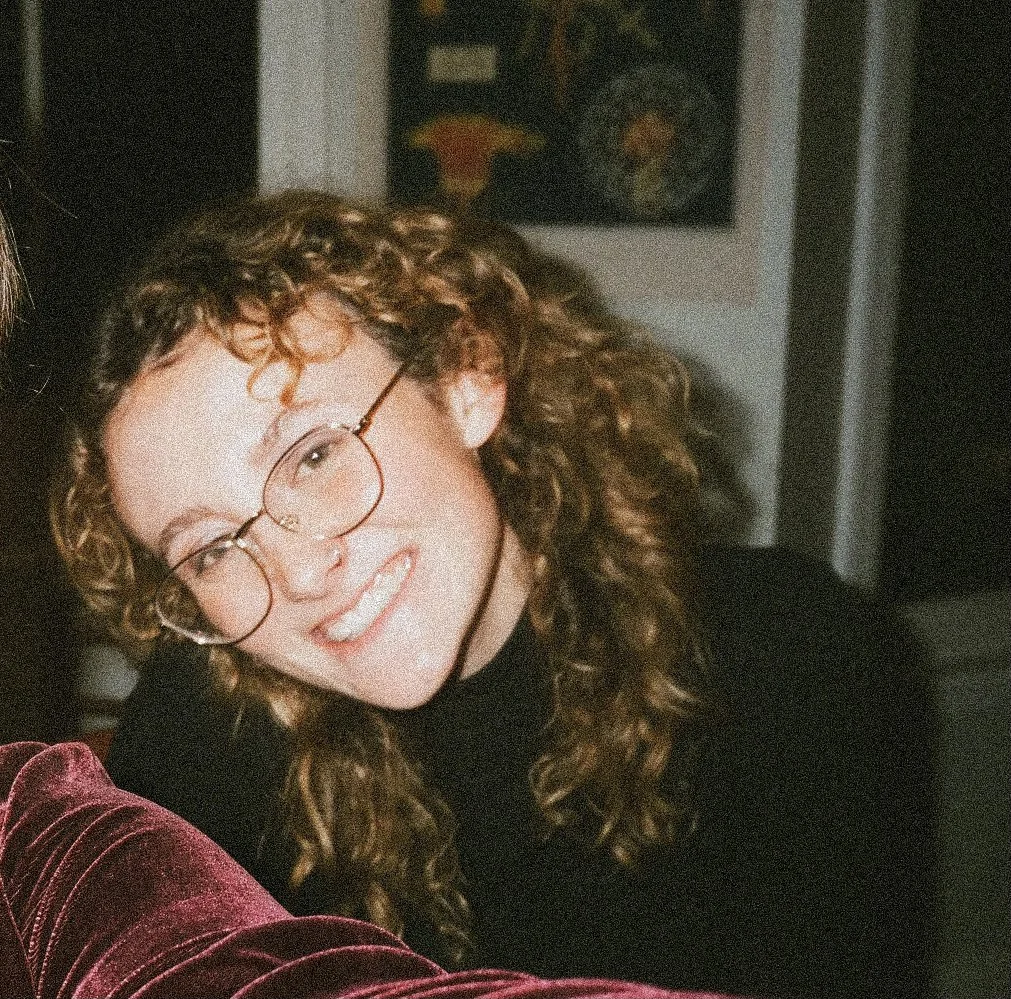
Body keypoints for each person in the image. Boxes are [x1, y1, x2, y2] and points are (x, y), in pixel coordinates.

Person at [51, 190, 936, 997]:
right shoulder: (199, 737)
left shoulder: (795, 660)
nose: (295, 572)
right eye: (208, 549)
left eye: (312, 455)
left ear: (466, 375)